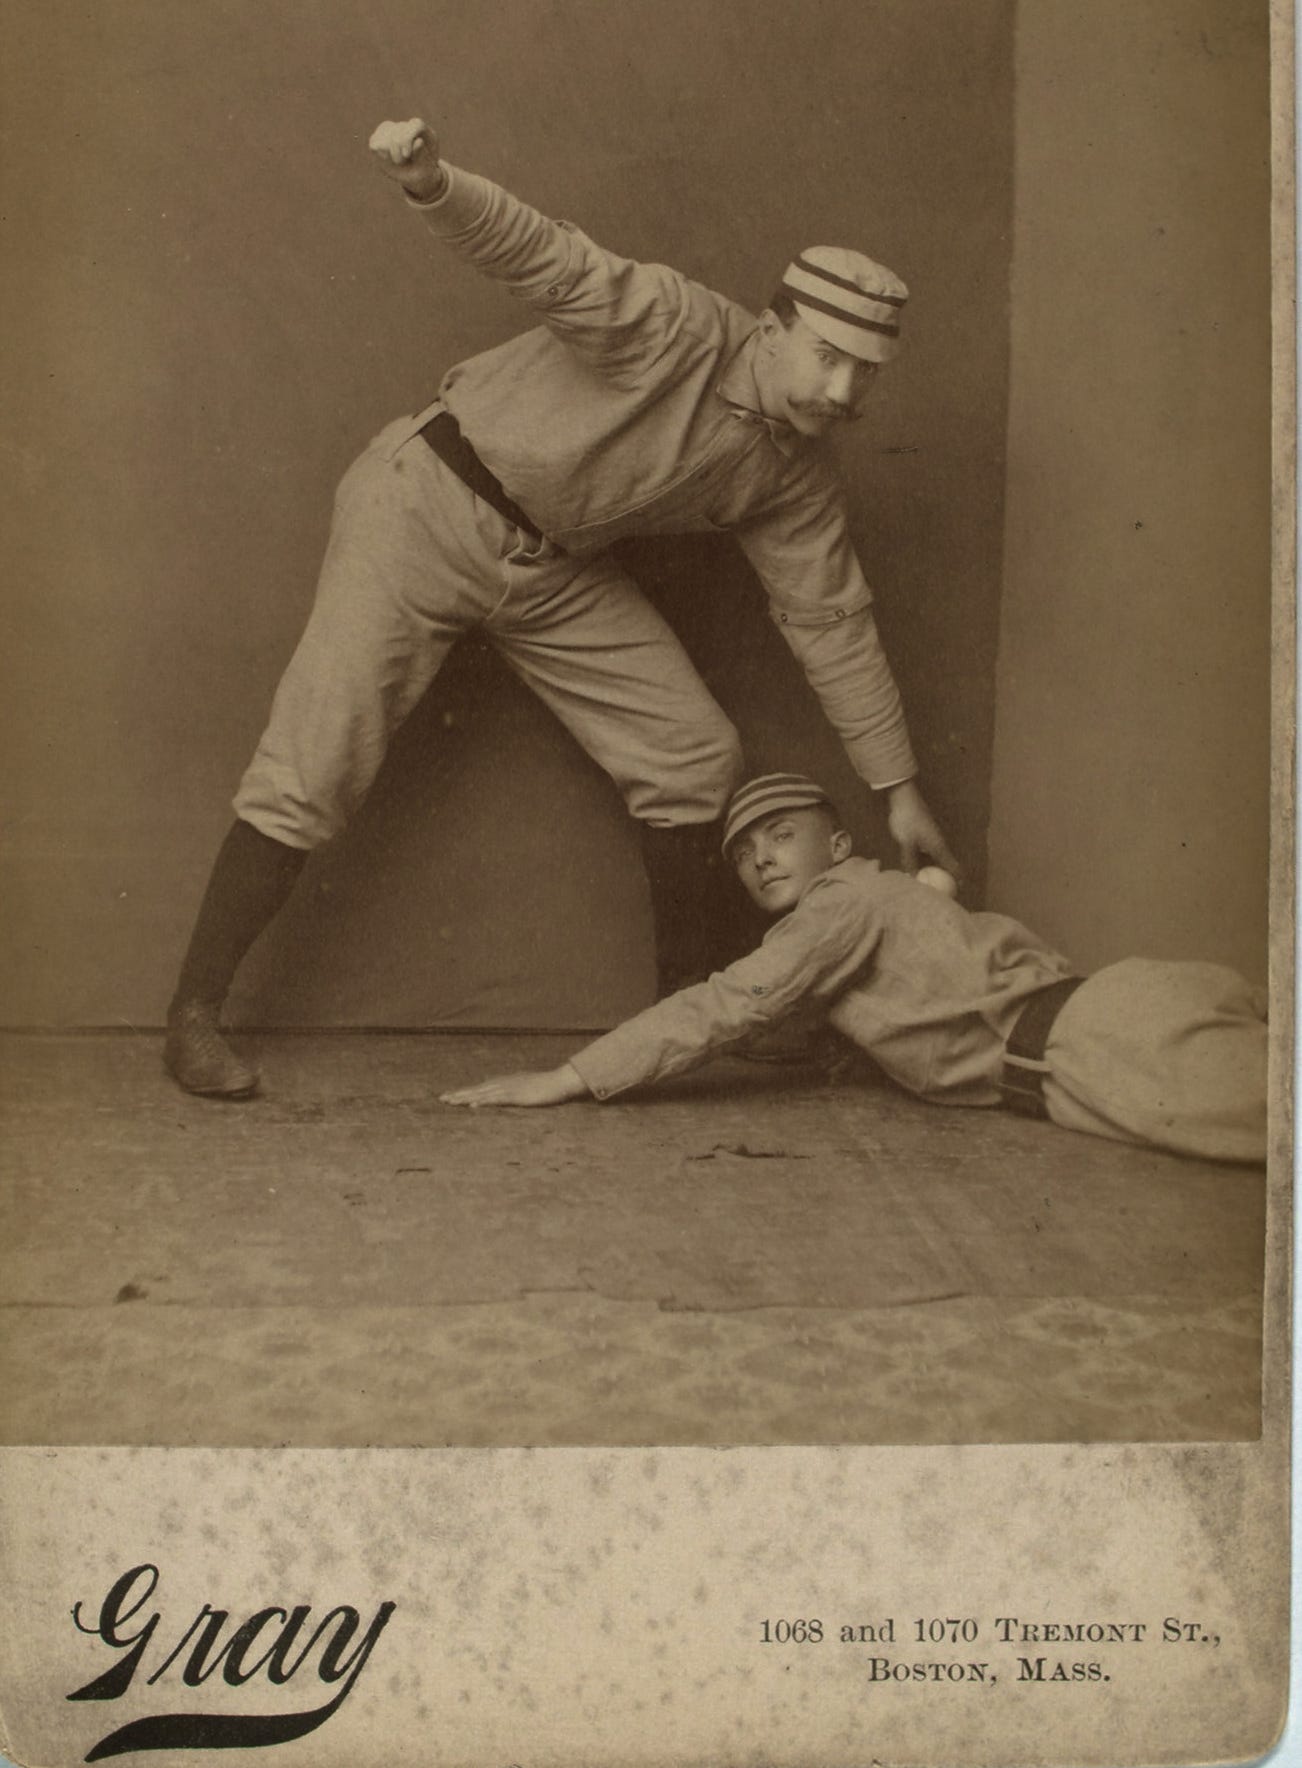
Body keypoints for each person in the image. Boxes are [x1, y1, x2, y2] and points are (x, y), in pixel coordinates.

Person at [164, 115, 957, 1099]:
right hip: (424, 506)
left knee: (693, 755)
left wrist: (899, 789)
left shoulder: (794, 472)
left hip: (549, 564)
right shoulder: (673, 327)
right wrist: (431, 183)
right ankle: (193, 1012)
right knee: (312, 764)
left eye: (863, 375)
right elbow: (548, 258)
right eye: (827, 356)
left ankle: (689, 1016)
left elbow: (831, 620)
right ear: (775, 326)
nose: (841, 390)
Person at [441, 773, 1268, 1166]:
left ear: (837, 847)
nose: (760, 858)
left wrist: (572, 1076)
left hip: (1103, 1044)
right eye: (743, 852)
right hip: (1109, 1021)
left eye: (781, 834)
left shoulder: (837, 906)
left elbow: (730, 1005)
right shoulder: (870, 902)